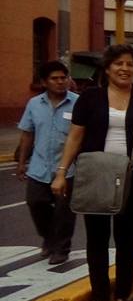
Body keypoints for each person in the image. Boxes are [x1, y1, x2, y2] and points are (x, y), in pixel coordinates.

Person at [51, 45, 133, 301]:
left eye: (130, 65)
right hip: (95, 175)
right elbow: (75, 138)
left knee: (127, 240)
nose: (124, 69)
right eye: (118, 64)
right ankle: (99, 298)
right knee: (97, 240)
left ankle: (123, 296)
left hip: (131, 178)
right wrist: (62, 173)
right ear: (107, 68)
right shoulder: (90, 98)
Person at [16, 61, 78, 265]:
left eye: (64, 77)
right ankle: (49, 238)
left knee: (64, 211)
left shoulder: (77, 102)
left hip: (68, 168)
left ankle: (61, 248)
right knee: (35, 202)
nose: (60, 82)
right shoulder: (34, 104)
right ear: (44, 82)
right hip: (39, 167)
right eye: (55, 78)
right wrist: (22, 162)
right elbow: (27, 133)